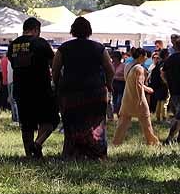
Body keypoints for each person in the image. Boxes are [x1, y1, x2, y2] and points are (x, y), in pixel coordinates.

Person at [51, 17, 113, 160]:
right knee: (96, 122)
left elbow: (55, 69)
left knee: (72, 122)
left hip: (71, 92)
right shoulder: (99, 48)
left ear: (73, 31)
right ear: (89, 31)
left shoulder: (64, 48)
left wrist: (56, 84)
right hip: (95, 90)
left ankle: (73, 152)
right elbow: (110, 69)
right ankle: (96, 153)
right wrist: (108, 84)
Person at [7, 18, 58, 158]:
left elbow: (13, 63)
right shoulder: (40, 42)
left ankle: (29, 155)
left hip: (21, 89)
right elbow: (53, 63)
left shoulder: (13, 45)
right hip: (41, 88)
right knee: (51, 119)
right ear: (35, 29)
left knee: (27, 124)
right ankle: (38, 143)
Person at [112, 47, 159, 146]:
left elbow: (131, 82)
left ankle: (116, 142)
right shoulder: (139, 68)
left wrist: (146, 88)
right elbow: (138, 84)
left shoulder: (127, 65)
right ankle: (152, 142)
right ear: (141, 56)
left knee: (122, 122)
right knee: (146, 121)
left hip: (127, 97)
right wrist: (140, 100)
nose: (146, 58)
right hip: (138, 98)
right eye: (145, 56)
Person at [149, 48, 170, 122]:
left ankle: (158, 117)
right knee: (164, 102)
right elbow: (162, 73)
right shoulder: (164, 63)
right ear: (166, 55)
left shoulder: (158, 63)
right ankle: (163, 117)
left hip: (157, 85)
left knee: (159, 101)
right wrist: (167, 83)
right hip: (163, 85)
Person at [109, 50, 127, 119]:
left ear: (118, 57)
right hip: (113, 85)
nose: (113, 58)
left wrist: (116, 77)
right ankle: (117, 114)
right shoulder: (111, 65)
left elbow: (126, 77)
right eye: (112, 57)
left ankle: (120, 115)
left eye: (114, 57)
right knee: (114, 101)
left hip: (121, 85)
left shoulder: (124, 66)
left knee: (119, 101)